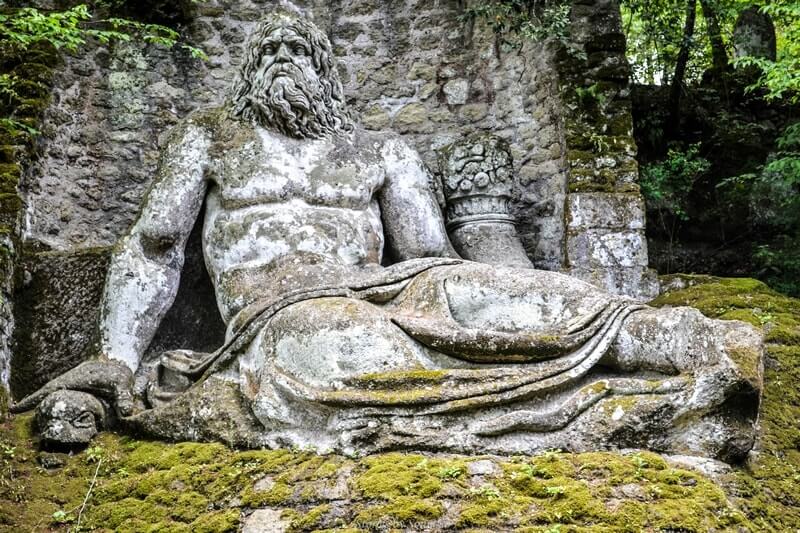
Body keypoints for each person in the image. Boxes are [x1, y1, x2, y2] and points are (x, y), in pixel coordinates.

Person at [14, 9, 763, 461]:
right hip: (283, 313)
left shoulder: (381, 150)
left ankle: (679, 342)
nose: (283, 57)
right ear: (245, 75)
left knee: (492, 294)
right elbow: (153, 246)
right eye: (267, 49)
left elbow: (432, 257)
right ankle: (629, 405)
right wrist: (114, 357)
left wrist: (466, 295)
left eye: (300, 48)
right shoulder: (211, 138)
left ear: (326, 70)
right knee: (348, 339)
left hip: (396, 285)